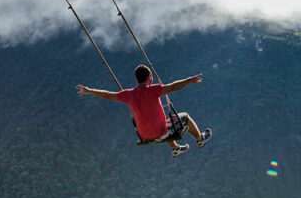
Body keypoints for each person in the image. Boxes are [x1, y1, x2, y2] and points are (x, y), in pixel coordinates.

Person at [76, 65, 212, 157]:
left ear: (136, 79)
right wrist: (189, 80)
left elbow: (108, 95)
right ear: (150, 78)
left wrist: (90, 91)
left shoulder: (129, 94)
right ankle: (200, 138)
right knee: (184, 117)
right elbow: (173, 87)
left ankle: (175, 148)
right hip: (159, 131)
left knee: (161, 122)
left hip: (144, 135)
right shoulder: (154, 90)